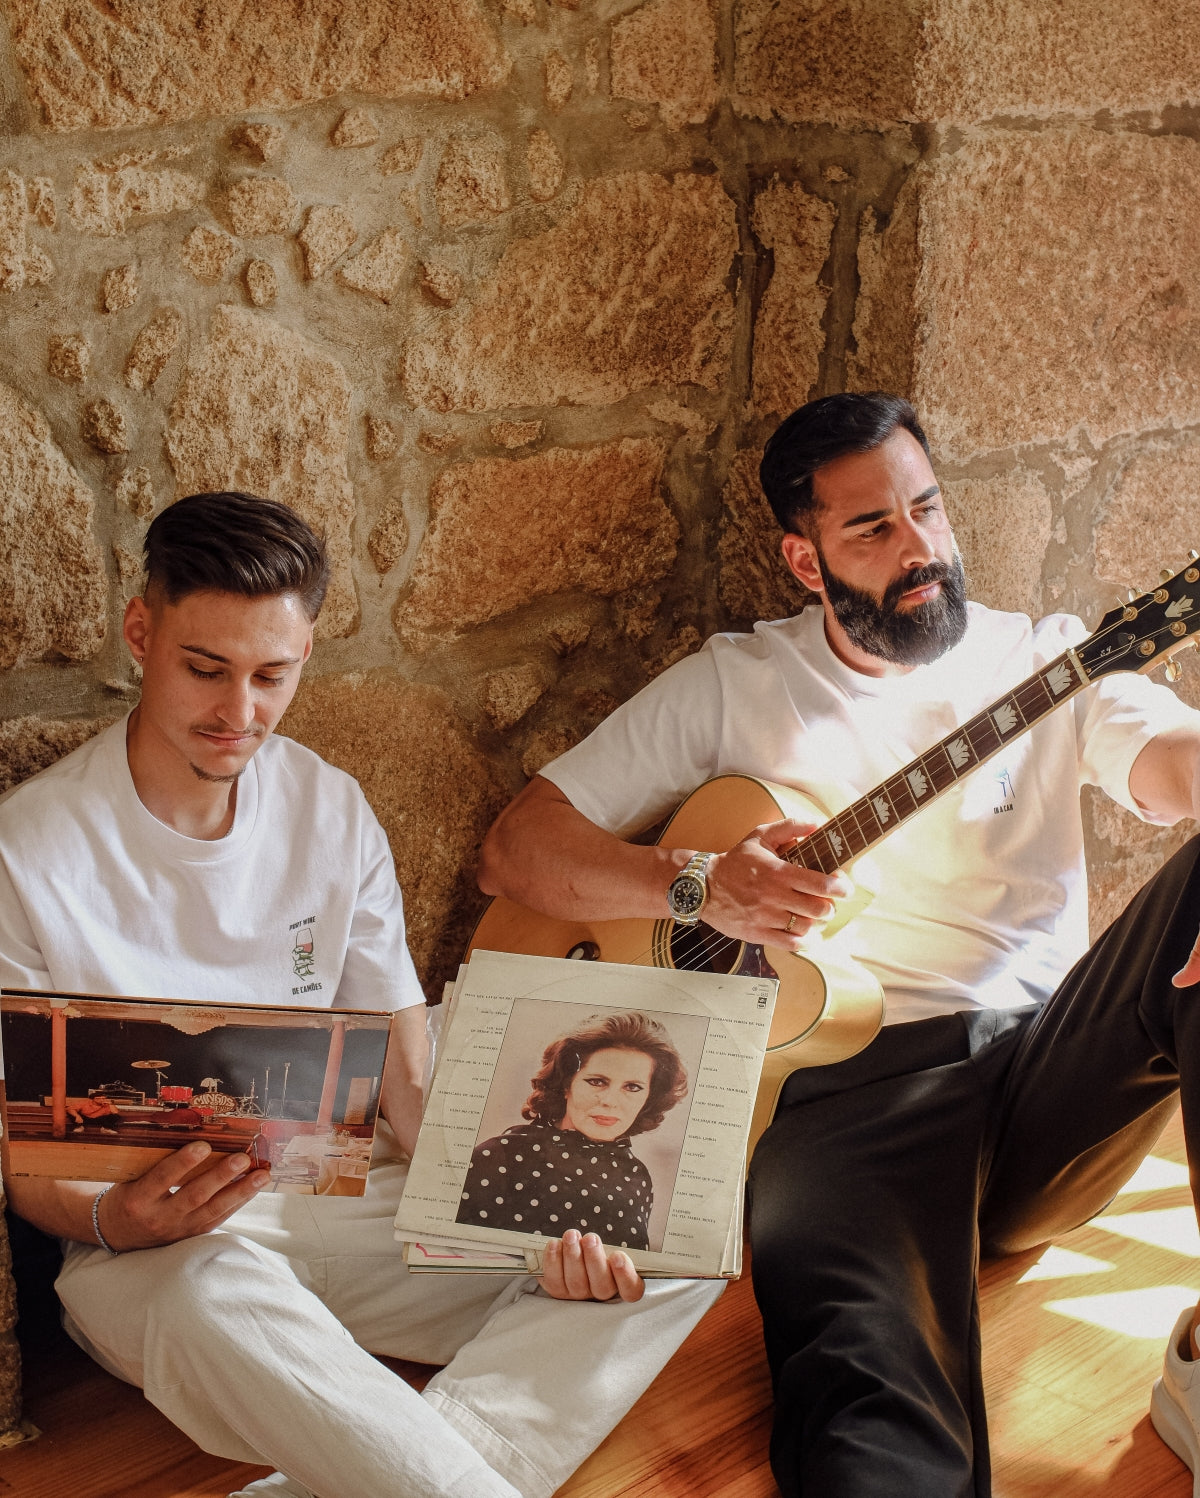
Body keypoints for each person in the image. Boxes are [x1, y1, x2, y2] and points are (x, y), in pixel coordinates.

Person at [477, 391, 1200, 1497]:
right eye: (873, 528)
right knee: (868, 1394)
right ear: (804, 560)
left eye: (928, 509)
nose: (920, 550)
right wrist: (697, 887)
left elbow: (1172, 763)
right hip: (846, 1092)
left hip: (1053, 1071)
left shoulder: (1048, 659)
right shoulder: (736, 683)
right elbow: (517, 851)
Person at [0, 492, 722, 1498]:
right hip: (155, 1253)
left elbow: (407, 1082)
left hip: (347, 1203)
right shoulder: (28, 850)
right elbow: (27, 1170)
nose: (238, 712)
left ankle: (389, 1469)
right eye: (205, 668)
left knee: (668, 1249)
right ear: (141, 633)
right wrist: (121, 1220)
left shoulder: (331, 810)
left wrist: (536, 1226)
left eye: (271, 676)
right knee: (214, 1295)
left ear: (304, 654)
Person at [457, 1010, 689, 1249]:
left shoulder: (637, 1177)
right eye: (597, 1081)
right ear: (566, 1084)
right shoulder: (499, 1156)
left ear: (649, 1097)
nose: (610, 1101)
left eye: (632, 1087)